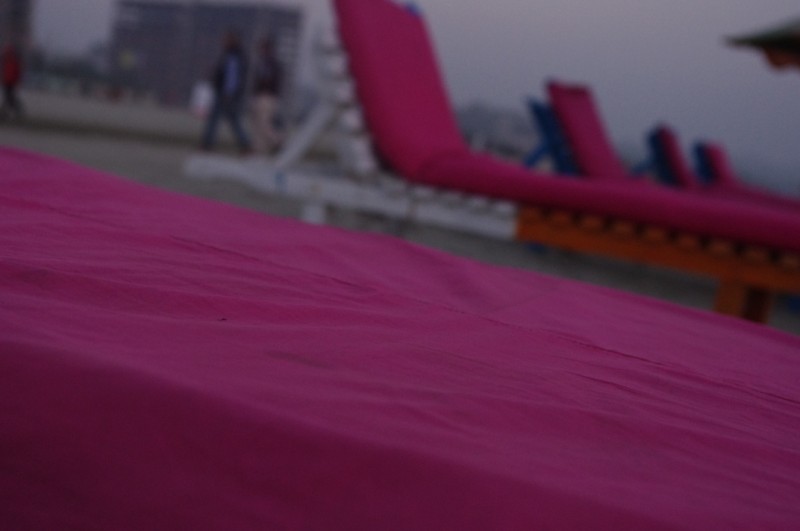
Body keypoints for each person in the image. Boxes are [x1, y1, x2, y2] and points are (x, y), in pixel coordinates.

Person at [201, 30, 251, 153]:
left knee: (216, 119)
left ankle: (207, 144)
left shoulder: (234, 55)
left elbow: (232, 76)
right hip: (226, 93)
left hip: (226, 94)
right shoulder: (230, 54)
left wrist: (228, 92)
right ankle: (245, 145)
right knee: (233, 120)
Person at [250, 37, 283, 154]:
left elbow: (266, 80)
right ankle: (260, 151)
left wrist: (260, 86)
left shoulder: (268, 64)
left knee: (264, 124)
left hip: (266, 97)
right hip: (264, 96)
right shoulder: (265, 63)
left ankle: (278, 140)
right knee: (258, 125)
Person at [1, 41, 24, 121]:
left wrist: (17, 81)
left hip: (11, 82)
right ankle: (8, 112)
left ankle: (8, 112)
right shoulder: (6, 60)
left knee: (9, 98)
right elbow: (4, 71)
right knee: (8, 98)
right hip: (7, 81)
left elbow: (17, 72)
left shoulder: (14, 61)